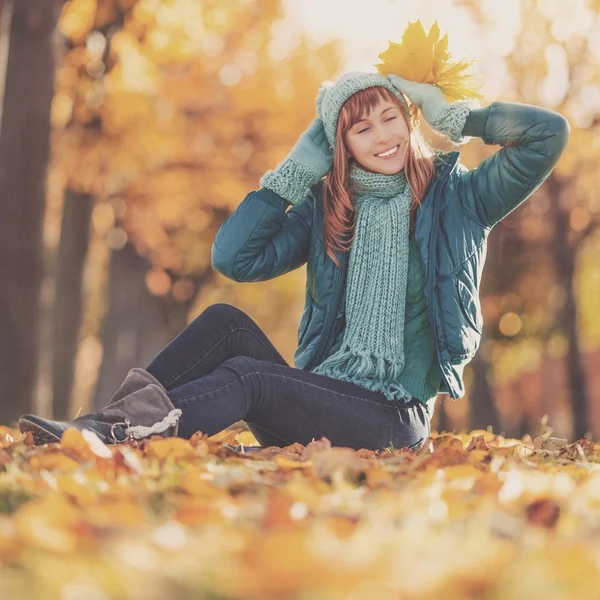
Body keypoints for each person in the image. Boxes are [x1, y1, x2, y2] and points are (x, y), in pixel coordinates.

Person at [18, 71, 570, 452]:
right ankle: (99, 427)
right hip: (323, 398)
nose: (383, 137)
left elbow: (549, 135)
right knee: (223, 323)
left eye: (390, 117)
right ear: (341, 145)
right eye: (361, 127)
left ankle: (117, 436)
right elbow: (234, 257)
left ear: (409, 118)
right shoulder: (329, 207)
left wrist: (456, 116)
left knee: (250, 378)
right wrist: (295, 170)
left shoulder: (460, 199)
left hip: (391, 418)